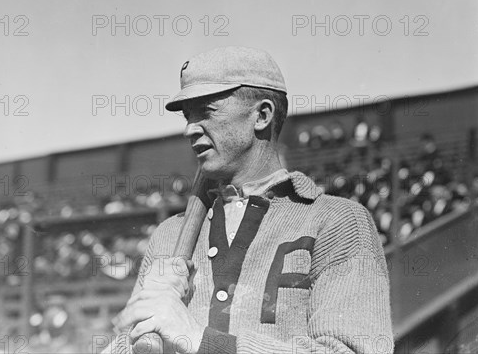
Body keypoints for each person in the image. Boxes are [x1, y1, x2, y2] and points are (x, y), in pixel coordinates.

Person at [101, 46, 393, 354]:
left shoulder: (338, 221)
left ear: (262, 115)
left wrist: (198, 339)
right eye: (187, 116)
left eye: (207, 112)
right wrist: (131, 340)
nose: (189, 129)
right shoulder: (168, 236)